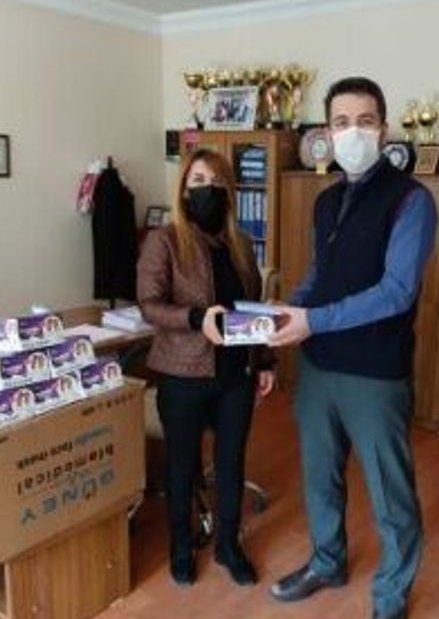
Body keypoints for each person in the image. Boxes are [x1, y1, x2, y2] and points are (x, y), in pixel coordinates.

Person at [267, 77, 437, 619]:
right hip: (318, 367)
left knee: (391, 496)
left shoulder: (412, 199)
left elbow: (397, 291)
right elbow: (321, 273)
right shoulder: (326, 200)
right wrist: (289, 309)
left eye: (365, 121)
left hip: (375, 374)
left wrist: (313, 320)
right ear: (327, 131)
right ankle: (327, 562)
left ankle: (390, 598)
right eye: (342, 123)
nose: (353, 132)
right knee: (320, 477)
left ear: (383, 129)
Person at [137, 149, 276, 587]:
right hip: (183, 374)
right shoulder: (164, 241)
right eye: (197, 180)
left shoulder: (241, 244)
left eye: (216, 181)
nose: (207, 189)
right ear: (183, 189)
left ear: (229, 190)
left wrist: (265, 359)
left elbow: (251, 306)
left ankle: (228, 547)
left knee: (231, 464)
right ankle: (181, 548)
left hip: (235, 375)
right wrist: (197, 318)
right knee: (181, 467)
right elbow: (149, 305)